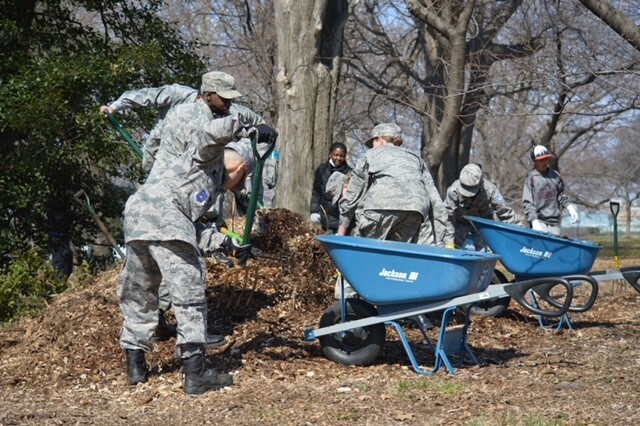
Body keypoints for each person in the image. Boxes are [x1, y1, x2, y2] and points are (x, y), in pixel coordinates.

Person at [119, 116, 276, 394]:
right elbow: (211, 131)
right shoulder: (207, 156)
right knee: (188, 297)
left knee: (140, 293)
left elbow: (191, 228)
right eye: (244, 179)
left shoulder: (209, 183)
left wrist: (227, 243)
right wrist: (248, 128)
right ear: (241, 168)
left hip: (138, 219)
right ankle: (196, 373)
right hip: (163, 219)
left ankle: (136, 367)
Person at [99, 71, 264, 172]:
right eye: (224, 98)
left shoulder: (232, 113)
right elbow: (144, 96)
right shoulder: (179, 96)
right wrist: (114, 107)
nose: (229, 103)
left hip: (198, 174)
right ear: (208, 95)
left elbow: (260, 125)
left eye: (231, 99)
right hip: (160, 164)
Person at [336, 123, 442, 243]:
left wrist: (341, 232)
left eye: (373, 143)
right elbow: (435, 200)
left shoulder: (370, 155)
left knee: (366, 248)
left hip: (381, 207)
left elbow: (352, 196)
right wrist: (442, 238)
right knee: (397, 251)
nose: (372, 147)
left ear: (380, 140)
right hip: (416, 210)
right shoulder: (416, 159)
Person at [444, 163, 520, 250]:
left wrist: (520, 236)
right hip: (460, 223)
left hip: (483, 225)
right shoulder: (453, 191)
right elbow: (448, 217)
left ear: (480, 184)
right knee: (449, 249)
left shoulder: (490, 190)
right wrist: (449, 242)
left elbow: (506, 213)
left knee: (486, 254)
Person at [523, 145, 579, 236]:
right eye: (541, 160)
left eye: (546, 159)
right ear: (534, 162)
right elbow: (528, 203)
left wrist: (570, 207)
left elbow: (560, 195)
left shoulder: (555, 176)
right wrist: (534, 221)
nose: (544, 162)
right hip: (540, 222)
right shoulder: (531, 179)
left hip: (555, 223)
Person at [309, 142, 351, 232]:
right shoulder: (322, 170)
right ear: (330, 154)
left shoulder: (349, 173)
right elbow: (316, 192)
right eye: (336, 155)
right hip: (325, 217)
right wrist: (314, 211)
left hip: (341, 219)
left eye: (342, 156)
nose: (338, 158)